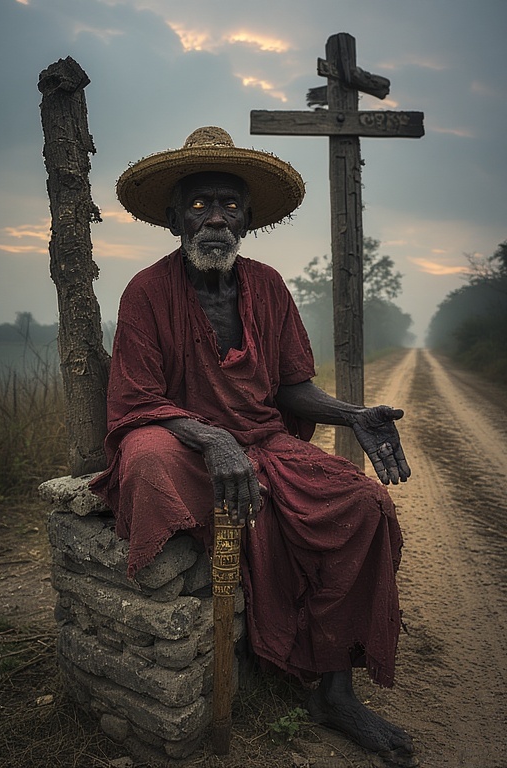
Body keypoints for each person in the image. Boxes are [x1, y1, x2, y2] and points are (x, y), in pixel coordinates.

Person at [90, 127, 417, 767]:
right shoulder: (146, 291)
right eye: (200, 204)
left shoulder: (266, 286)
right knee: (148, 459)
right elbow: (136, 400)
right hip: (182, 442)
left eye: (230, 205)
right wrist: (211, 436)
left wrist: (352, 414)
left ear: (248, 219)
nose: (215, 218)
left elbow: (292, 386)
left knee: (363, 504)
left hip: (261, 442)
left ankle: (335, 692)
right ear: (174, 218)